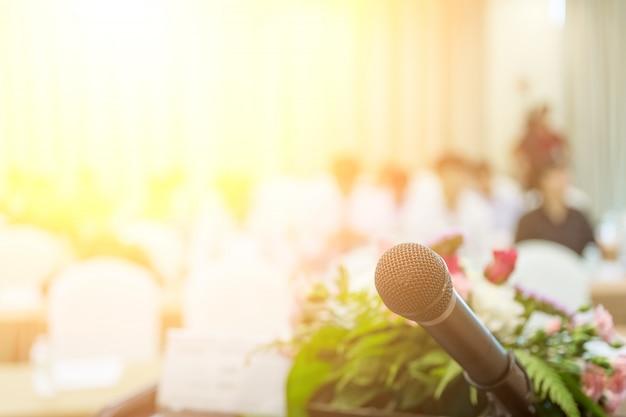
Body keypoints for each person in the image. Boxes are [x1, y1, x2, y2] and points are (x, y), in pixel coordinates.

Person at [514, 160, 595, 256]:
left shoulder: (579, 219)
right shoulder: (528, 223)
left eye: (563, 175)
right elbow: (523, 255)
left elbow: (591, 251)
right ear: (541, 181)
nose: (560, 181)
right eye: (553, 176)